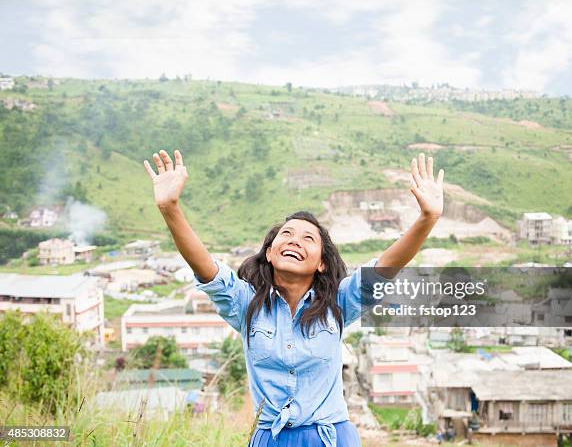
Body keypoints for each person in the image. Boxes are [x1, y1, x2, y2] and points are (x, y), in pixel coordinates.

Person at [143, 149, 444, 447]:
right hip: (270, 438)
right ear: (271, 253)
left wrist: (427, 218)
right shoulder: (247, 305)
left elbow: (382, 270)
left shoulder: (338, 303)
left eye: (308, 238)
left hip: (330, 437)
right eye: (286, 234)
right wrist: (170, 208)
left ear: (321, 262)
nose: (295, 241)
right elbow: (208, 271)